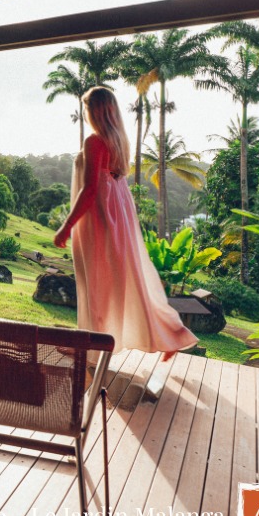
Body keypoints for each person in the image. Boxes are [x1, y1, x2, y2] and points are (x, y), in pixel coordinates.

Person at [53, 86, 197, 359]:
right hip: (117, 214)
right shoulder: (119, 140)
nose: (85, 114)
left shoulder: (95, 142)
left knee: (96, 283)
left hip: (100, 217)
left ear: (93, 110)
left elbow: (90, 190)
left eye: (86, 108)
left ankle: (88, 347)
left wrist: (66, 225)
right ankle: (172, 335)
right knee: (126, 280)